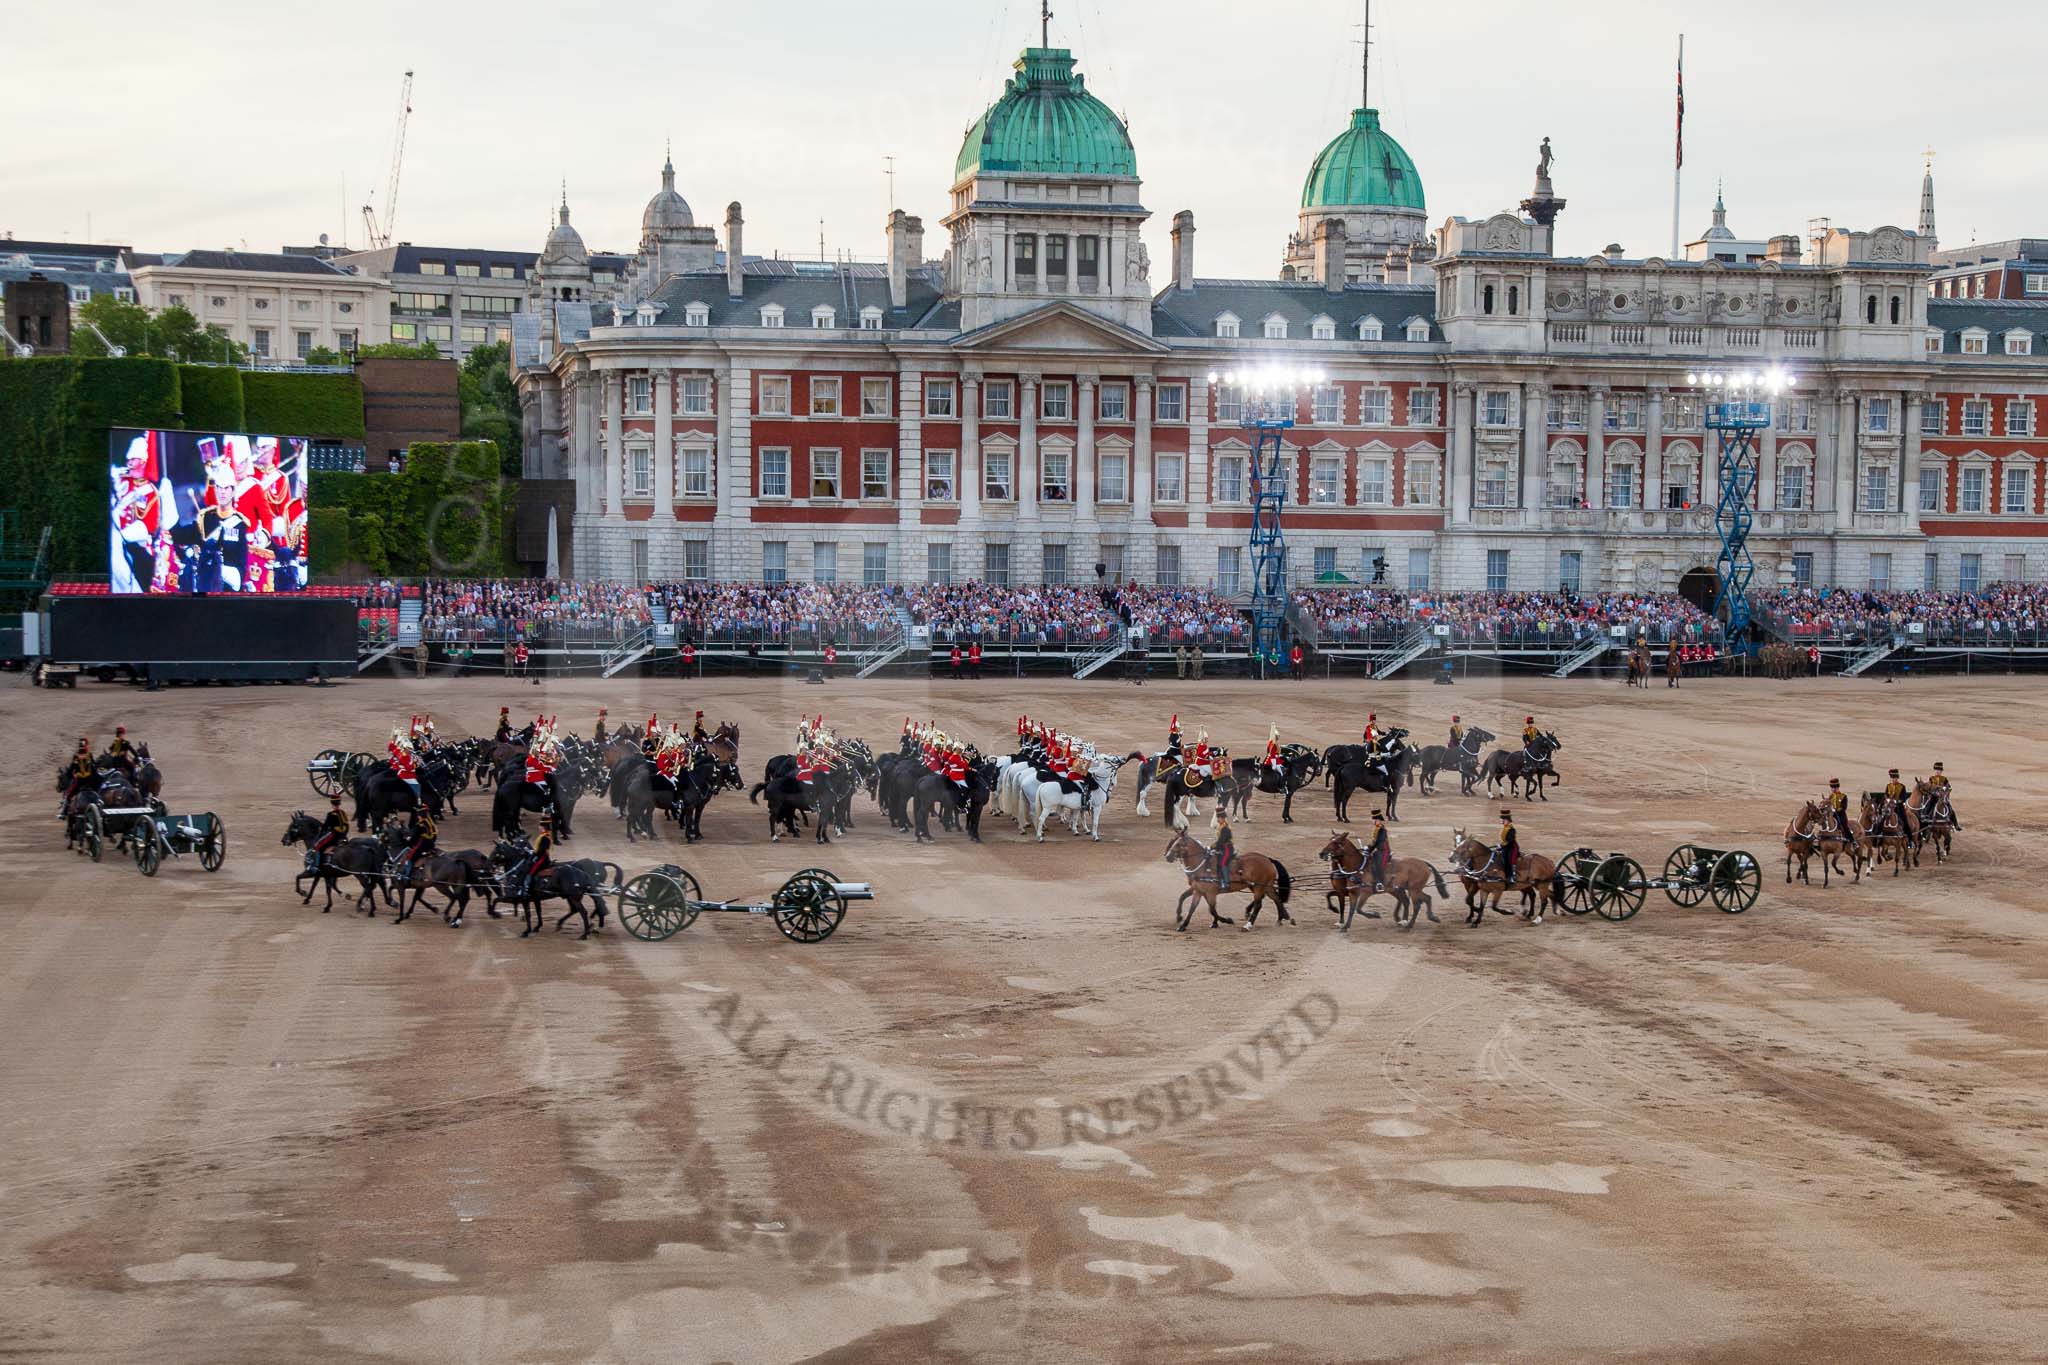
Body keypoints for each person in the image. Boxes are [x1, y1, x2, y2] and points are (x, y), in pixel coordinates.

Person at [307, 794, 350, 873]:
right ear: (339, 803)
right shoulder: (343, 813)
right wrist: (344, 835)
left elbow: (325, 827)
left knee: (317, 846)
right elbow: (347, 826)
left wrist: (320, 834)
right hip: (343, 836)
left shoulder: (331, 814)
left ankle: (315, 866)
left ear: (332, 804)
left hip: (333, 836)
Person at [517, 815, 555, 899]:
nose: (539, 827)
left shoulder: (545, 837)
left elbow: (541, 851)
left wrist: (533, 854)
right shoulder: (543, 836)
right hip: (540, 857)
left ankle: (526, 889)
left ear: (543, 827)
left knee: (530, 870)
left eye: (540, 826)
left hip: (543, 859)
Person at [399, 807, 438, 878]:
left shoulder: (420, 825)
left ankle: (407, 875)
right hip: (431, 845)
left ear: (419, 815)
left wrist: (407, 843)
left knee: (410, 857)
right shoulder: (430, 823)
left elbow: (413, 838)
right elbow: (434, 836)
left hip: (422, 846)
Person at [62, 738, 96, 814]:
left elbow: (70, 770)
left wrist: (72, 776)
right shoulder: (89, 755)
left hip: (79, 782)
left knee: (69, 795)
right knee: (99, 793)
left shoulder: (76, 756)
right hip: (90, 782)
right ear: (86, 746)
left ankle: (63, 812)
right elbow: (94, 768)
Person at [388, 728, 421, 801]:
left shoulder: (405, 754)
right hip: (404, 774)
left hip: (406, 773)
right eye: (409, 749)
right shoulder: (403, 756)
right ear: (405, 748)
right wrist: (415, 764)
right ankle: (418, 801)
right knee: (417, 785)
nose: (411, 751)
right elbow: (408, 768)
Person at [1928, 762, 1961, 828]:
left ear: (1941, 771)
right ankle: (1925, 816)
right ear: (1934, 770)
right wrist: (1934, 792)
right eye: (1937, 770)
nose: (1938, 772)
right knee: (1929, 805)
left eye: (1939, 770)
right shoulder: (1931, 778)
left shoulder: (1944, 779)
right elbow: (1929, 788)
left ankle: (1956, 824)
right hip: (1934, 797)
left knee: (1950, 808)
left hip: (1942, 797)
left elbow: (1949, 787)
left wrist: (1946, 789)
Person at [1366, 810, 1391, 893]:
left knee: (1378, 866)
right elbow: (1374, 842)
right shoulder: (1377, 829)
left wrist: (1370, 849)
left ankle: (1380, 883)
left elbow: (1378, 842)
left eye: (1375, 820)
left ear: (1379, 820)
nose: (1374, 822)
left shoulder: (1382, 829)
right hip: (1379, 850)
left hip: (1384, 850)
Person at [1211, 809, 1235, 888]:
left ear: (1223, 818)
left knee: (1223, 863)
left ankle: (1226, 882)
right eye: (1218, 818)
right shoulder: (1220, 826)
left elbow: (1221, 841)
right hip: (1222, 848)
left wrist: (1212, 846)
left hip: (1227, 848)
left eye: (1219, 818)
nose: (1218, 820)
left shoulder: (1225, 828)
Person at [1498, 808, 1520, 883]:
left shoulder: (1511, 829)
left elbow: (1510, 841)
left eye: (1502, 819)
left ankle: (1511, 876)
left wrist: (1502, 846)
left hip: (1512, 847)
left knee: (1508, 860)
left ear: (1506, 820)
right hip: (1506, 846)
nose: (1501, 821)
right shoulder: (1505, 827)